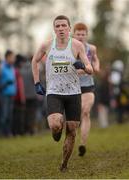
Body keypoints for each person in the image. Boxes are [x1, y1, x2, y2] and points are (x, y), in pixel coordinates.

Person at [32, 15, 93, 171]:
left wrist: (84, 66)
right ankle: (55, 131)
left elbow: (90, 68)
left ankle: (64, 164)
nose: (60, 29)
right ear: (54, 29)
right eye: (57, 26)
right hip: (54, 92)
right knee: (55, 124)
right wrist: (37, 82)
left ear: (69, 28)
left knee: (72, 130)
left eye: (63, 26)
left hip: (73, 93)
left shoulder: (77, 46)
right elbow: (34, 61)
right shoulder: (46, 45)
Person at [73, 23, 100, 156]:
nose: (81, 36)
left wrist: (96, 66)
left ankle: (82, 144)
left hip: (88, 86)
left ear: (86, 35)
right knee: (74, 117)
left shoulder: (92, 48)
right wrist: (81, 70)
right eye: (78, 34)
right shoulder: (69, 49)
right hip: (72, 86)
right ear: (74, 34)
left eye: (83, 34)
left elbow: (95, 60)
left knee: (86, 112)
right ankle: (72, 139)